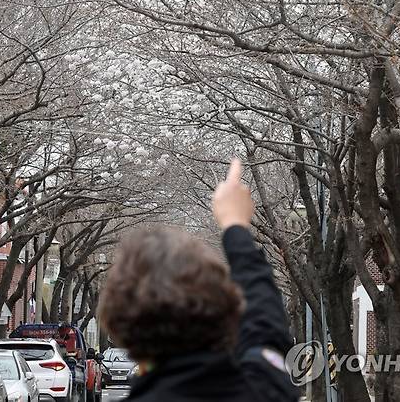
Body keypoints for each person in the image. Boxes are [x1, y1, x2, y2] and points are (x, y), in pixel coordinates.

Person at [98, 159, 300, 401]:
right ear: (223, 307)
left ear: (119, 326)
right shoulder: (263, 387)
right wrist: (235, 225)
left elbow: (265, 322)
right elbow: (265, 323)